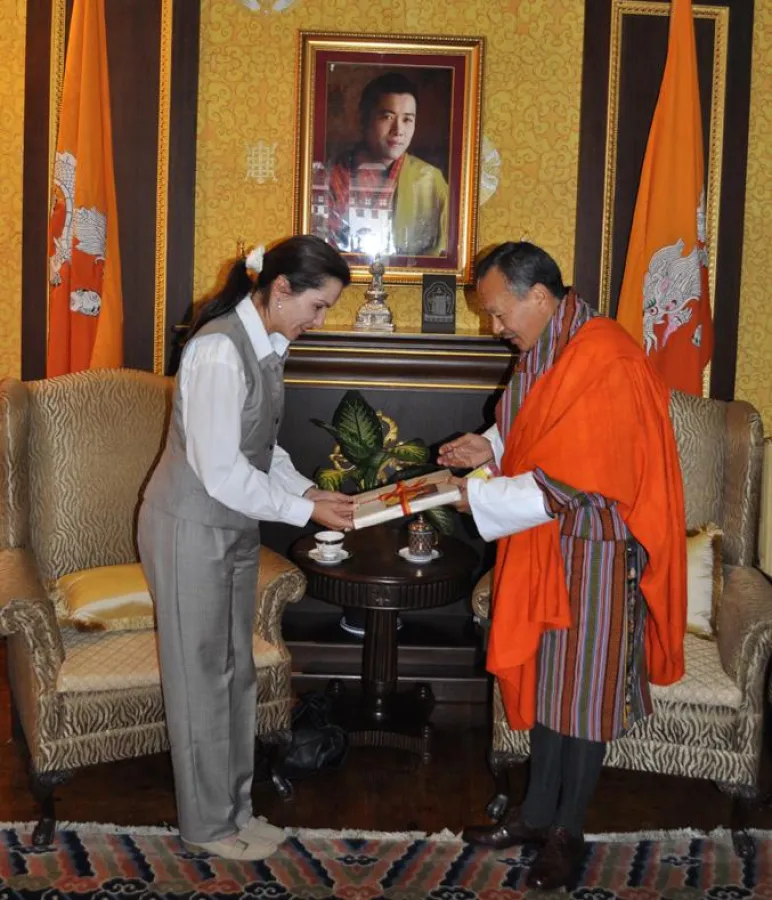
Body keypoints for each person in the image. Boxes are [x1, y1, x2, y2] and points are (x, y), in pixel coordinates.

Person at [438, 242, 687, 891]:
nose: (494, 327)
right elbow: (537, 430)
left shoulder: (605, 356)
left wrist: (479, 495)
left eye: (497, 313)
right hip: (551, 545)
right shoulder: (553, 343)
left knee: (584, 699)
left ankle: (566, 833)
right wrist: (487, 447)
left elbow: (572, 476)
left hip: (597, 552)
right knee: (554, 688)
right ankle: (534, 813)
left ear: (537, 298)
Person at [138, 235, 355, 861]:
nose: (319, 322)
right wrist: (302, 511)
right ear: (279, 289)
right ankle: (205, 824)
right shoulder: (215, 351)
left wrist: (309, 491)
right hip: (188, 525)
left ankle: (235, 809)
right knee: (200, 679)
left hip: (228, 526)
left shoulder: (268, 345)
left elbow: (265, 450)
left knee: (233, 673)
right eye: (317, 306)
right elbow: (220, 471)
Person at [325, 72, 448, 257]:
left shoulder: (430, 180)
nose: (398, 131)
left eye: (407, 119)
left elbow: (442, 257)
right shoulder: (333, 176)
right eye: (387, 117)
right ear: (363, 120)